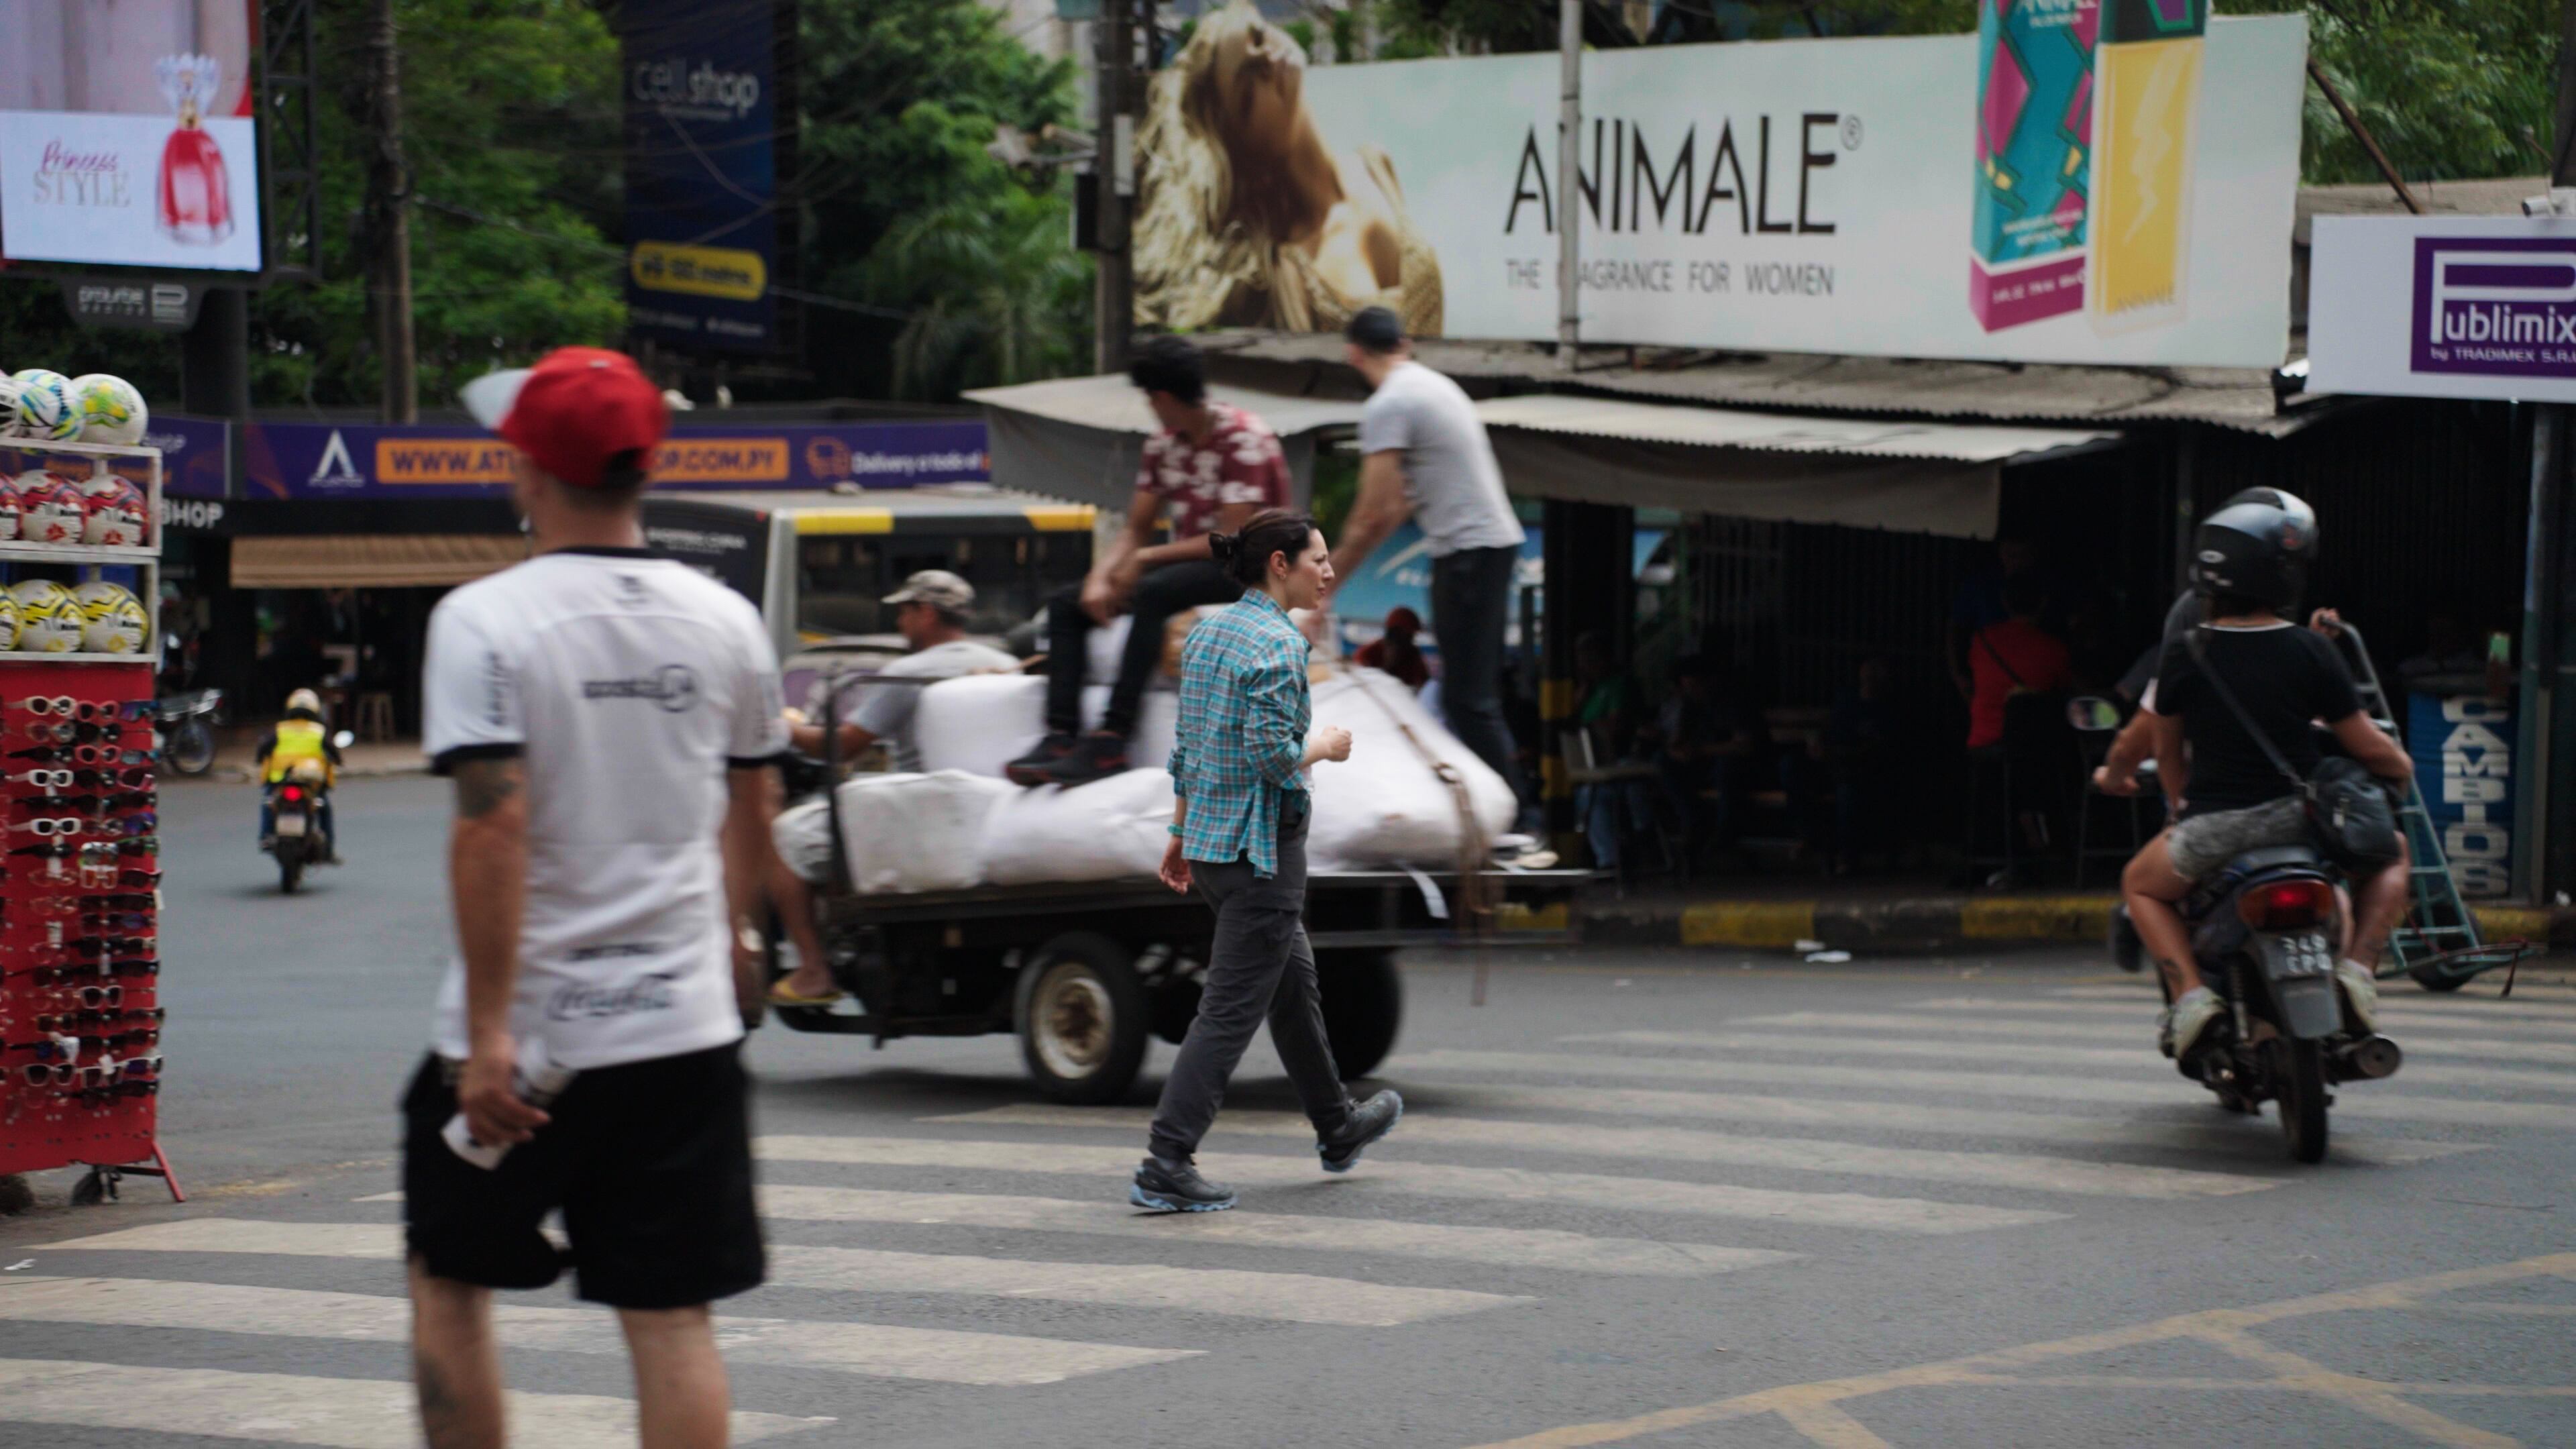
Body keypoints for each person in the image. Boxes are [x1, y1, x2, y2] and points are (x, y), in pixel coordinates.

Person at [407, 347, 785, 1449]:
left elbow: (494, 825)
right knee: (670, 1320)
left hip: (522, 1052)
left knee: (449, 1282)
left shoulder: (484, 619)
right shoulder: (724, 618)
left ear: (526, 468)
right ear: (645, 470)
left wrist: (485, 1035)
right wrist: (738, 939)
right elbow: (748, 807)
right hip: (682, 1032)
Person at [1136, 509, 1403, 1213]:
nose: (1330, 570)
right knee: (1228, 1012)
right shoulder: (1280, 646)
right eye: (1317, 559)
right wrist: (1328, 745)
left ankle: (1337, 1126)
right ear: (1278, 565)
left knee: (1294, 991)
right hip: (1262, 855)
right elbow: (1273, 757)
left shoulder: (1206, 632)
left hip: (1216, 848)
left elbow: (1189, 743)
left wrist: (1181, 830)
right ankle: (1168, 1159)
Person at [2096, 493, 2414, 1059]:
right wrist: (2401, 769)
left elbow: (2167, 753)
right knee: (2392, 853)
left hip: (2214, 830)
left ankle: (2191, 997)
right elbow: (2367, 746)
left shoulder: (2184, 653)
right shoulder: (2313, 651)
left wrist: (2177, 806)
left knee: (2139, 886)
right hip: (2302, 823)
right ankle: (2359, 971)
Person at [1009, 335, 1288, 788]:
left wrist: (1144, 560)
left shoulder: (1244, 439)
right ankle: (1060, 735)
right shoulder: (1164, 445)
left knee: (1156, 593)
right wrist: (1101, 577)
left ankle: (1112, 738)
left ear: (1161, 397)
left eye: (1148, 398)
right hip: (1190, 567)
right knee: (1067, 604)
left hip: (1253, 570)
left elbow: (1232, 539)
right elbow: (1137, 525)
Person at [768, 571, 1018, 1006]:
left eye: (904, 612)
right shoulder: (1001, 660)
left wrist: (785, 728)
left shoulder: (908, 672)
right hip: (1000, 806)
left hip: (919, 811)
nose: (900, 624)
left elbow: (844, 745)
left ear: (925, 614)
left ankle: (813, 970)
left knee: (783, 838)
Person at [1329, 305, 1533, 826]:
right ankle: (1507, 818)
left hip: (1468, 553)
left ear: (1354, 353)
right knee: (1469, 696)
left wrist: (1324, 585)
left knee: (1468, 700)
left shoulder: (1389, 404)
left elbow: (1372, 513)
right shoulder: (1432, 386)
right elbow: (1397, 505)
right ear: (1405, 343)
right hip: (1482, 549)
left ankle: (1515, 823)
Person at [1132, 0, 1442, 336]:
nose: (1267, 57)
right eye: (1248, 88)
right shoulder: (1285, 271)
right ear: (1243, 146)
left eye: (1259, 36)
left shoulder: (1376, 166)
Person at [256, 686, 344, 863]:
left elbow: (263, 751)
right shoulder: (319, 732)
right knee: (324, 810)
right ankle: (328, 850)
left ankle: (266, 837)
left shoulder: (280, 730)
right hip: (310, 783)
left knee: (269, 804)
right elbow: (334, 754)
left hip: (279, 780)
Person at [1352, 605, 1430, 690]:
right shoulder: (1368, 653)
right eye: (1410, 635)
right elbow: (1360, 684)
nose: (1413, 639)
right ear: (1398, 633)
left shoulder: (1413, 654)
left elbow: (1426, 684)